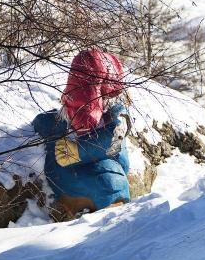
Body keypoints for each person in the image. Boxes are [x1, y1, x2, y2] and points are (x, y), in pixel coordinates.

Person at [32, 49, 131, 221]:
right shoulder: (62, 122)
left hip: (104, 181)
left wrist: (79, 151)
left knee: (110, 183)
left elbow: (114, 138)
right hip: (74, 180)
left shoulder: (116, 116)